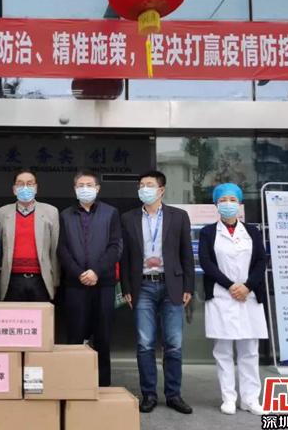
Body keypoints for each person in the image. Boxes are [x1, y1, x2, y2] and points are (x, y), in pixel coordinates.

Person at [120, 170, 195, 414]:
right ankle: (149, 394)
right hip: (142, 286)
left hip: (172, 285)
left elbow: (186, 253)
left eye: (149, 185)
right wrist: (126, 287)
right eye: (141, 185)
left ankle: (173, 394)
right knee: (145, 343)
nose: (144, 189)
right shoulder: (128, 218)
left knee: (173, 343)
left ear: (161, 190)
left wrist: (188, 286)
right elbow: (124, 256)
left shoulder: (178, 216)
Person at [199, 183, 268, 416]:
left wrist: (247, 286)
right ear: (216, 204)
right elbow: (207, 263)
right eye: (223, 200)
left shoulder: (252, 231)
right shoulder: (208, 232)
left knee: (250, 350)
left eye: (232, 200)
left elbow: (261, 261)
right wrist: (230, 286)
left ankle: (250, 399)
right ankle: (228, 398)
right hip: (222, 296)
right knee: (223, 351)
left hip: (249, 296)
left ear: (239, 204)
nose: (228, 204)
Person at [58, 170, 122, 387]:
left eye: (89, 185)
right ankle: (74, 384)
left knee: (103, 336)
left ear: (97, 188)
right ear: (75, 189)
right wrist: (79, 273)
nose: (85, 189)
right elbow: (62, 249)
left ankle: (102, 385)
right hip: (75, 284)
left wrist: (96, 271)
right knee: (75, 336)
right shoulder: (65, 215)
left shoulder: (111, 213)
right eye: (80, 185)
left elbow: (115, 247)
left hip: (103, 283)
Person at [0, 169, 60, 301]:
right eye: (20, 184)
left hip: (41, 279)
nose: (25, 187)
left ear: (36, 188)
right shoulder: (2, 213)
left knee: (40, 314)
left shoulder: (51, 212)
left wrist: (55, 281)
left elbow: (55, 249)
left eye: (30, 184)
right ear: (14, 189)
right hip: (11, 280)